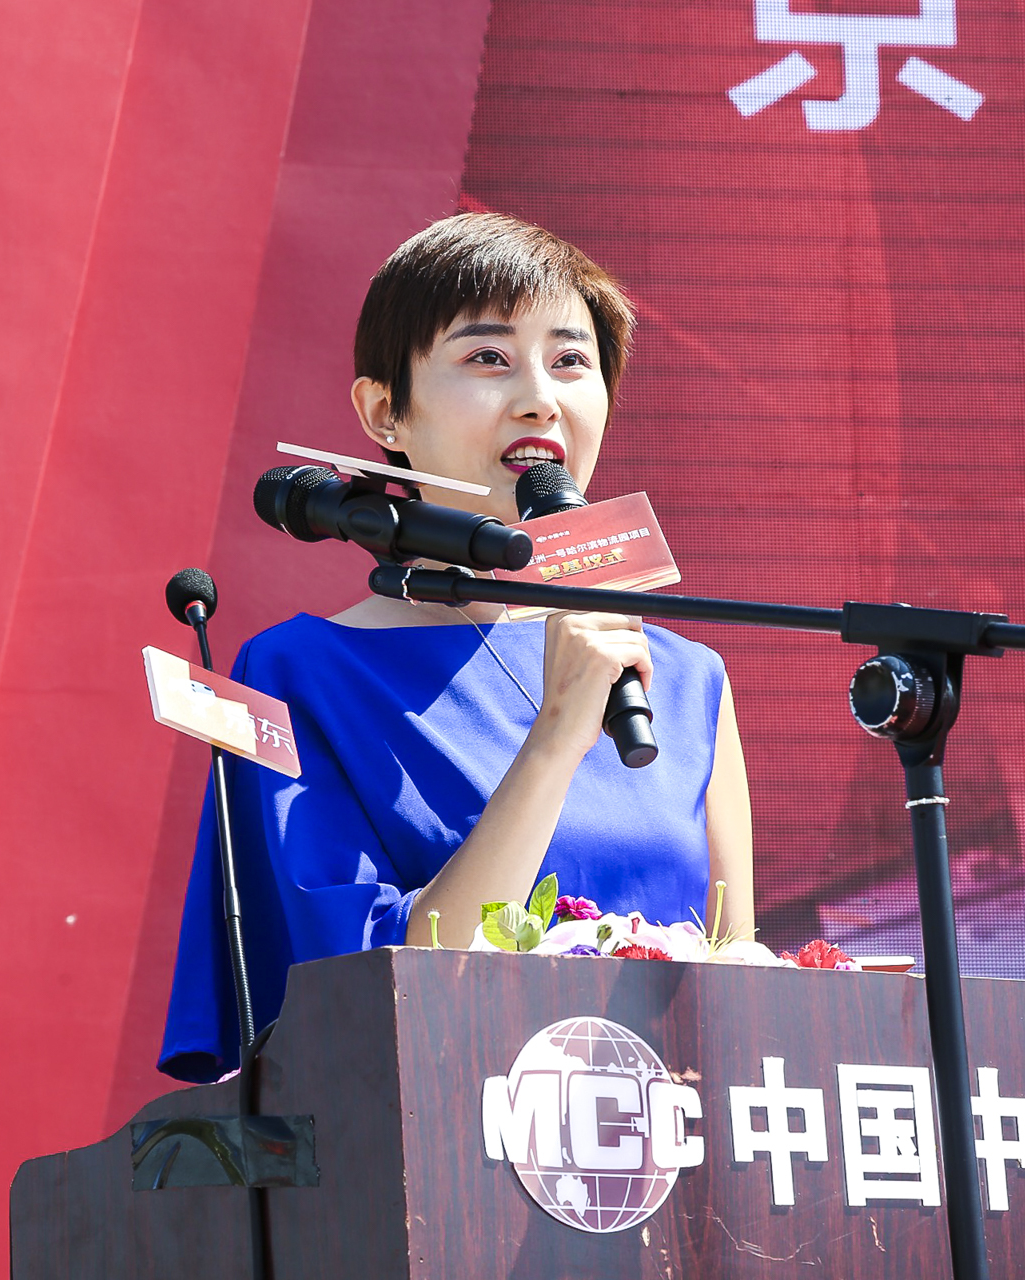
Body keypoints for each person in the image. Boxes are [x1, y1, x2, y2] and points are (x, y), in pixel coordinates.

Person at [159, 213, 753, 1082]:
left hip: (665, 1135)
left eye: (570, 361)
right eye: (488, 358)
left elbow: (742, 992)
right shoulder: (286, 675)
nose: (539, 397)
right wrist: (557, 735)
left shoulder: (690, 680)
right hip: (440, 1132)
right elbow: (370, 998)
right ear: (385, 411)